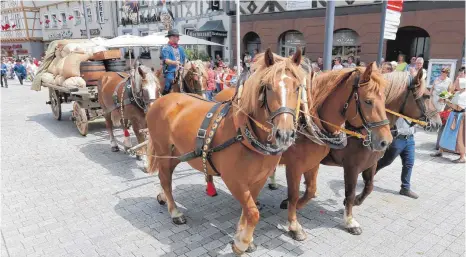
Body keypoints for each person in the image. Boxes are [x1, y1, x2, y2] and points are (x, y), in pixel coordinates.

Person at [376, 117, 419, 199]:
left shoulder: (415, 112)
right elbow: (397, 128)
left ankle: (405, 188)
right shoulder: (400, 111)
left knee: (409, 163)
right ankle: (369, 173)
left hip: (410, 139)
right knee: (386, 161)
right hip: (398, 139)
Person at [431, 78, 466, 163]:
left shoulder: (464, 95)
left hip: (460, 117)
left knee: (459, 137)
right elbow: (450, 99)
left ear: (462, 84)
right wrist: (444, 97)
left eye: (457, 83)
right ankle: (440, 151)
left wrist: (446, 101)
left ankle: (462, 157)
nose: (455, 84)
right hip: (454, 115)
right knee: (446, 133)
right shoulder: (458, 92)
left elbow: (459, 107)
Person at [160, 29, 186, 95]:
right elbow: (166, 60)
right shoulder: (165, 48)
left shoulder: (181, 48)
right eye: (177, 36)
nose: (178, 38)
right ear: (171, 37)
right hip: (170, 71)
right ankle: (165, 94)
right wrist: (175, 63)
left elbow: (185, 58)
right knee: (169, 80)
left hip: (182, 69)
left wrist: (187, 63)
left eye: (178, 37)